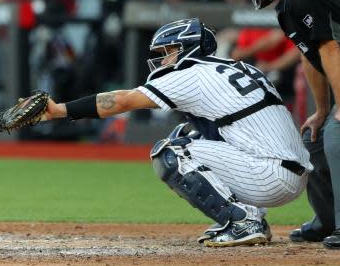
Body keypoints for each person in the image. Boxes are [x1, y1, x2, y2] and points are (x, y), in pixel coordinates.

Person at [38, 18, 310, 246]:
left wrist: (58, 110)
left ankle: (243, 221)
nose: (163, 59)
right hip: (292, 172)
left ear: (187, 50)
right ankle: (251, 216)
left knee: (169, 153)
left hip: (269, 175)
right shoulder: (237, 67)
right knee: (188, 134)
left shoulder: (192, 74)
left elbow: (122, 101)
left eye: (168, 51)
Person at [241, 0, 340, 249]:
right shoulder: (289, 2)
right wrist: (323, 109)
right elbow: (310, 56)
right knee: (315, 138)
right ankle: (327, 221)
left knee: (337, 139)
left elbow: (331, 49)